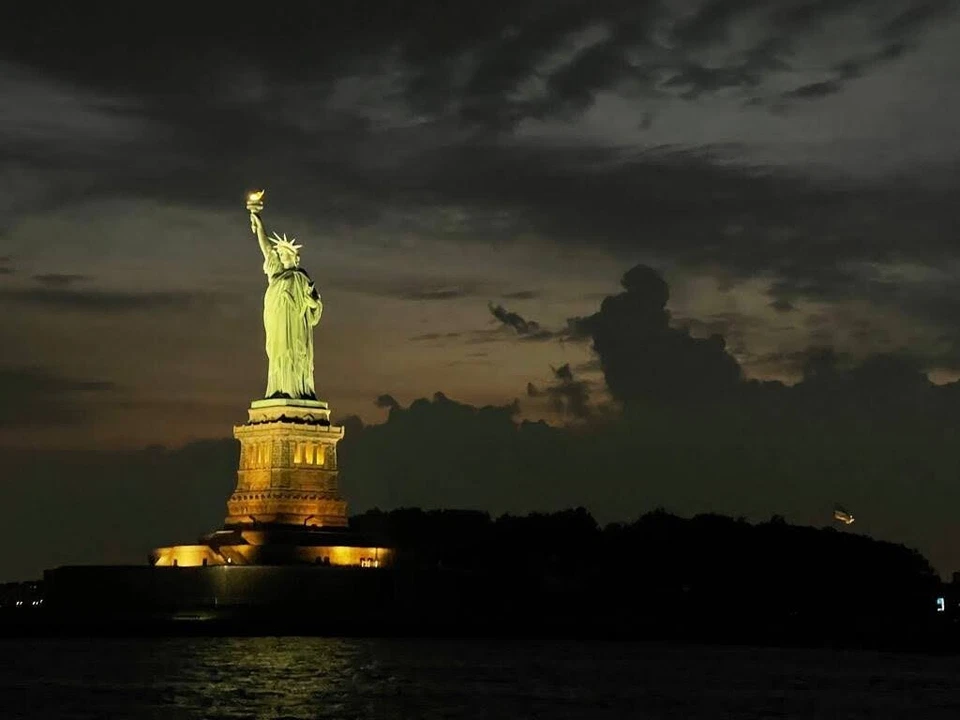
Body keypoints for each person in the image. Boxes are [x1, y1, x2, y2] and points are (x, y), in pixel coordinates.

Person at [250, 211, 322, 399]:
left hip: (295, 328)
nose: (281, 256)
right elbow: (267, 250)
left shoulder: (300, 277)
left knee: (294, 355)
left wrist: (313, 302)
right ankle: (278, 389)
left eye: (285, 254)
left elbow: (314, 306)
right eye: (280, 254)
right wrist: (259, 224)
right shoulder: (276, 275)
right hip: (277, 326)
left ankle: (295, 390)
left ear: (294, 257)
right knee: (278, 356)